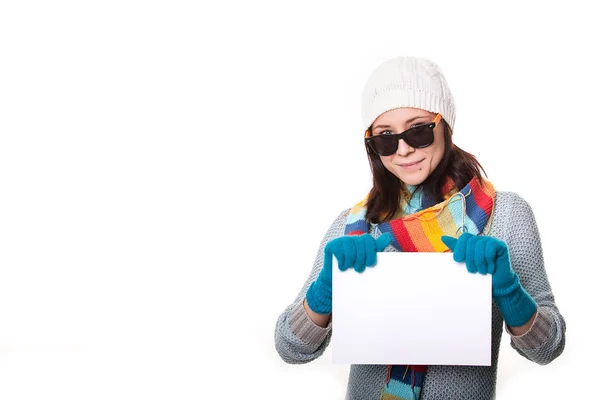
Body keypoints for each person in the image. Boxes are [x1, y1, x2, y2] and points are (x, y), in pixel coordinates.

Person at [274, 56, 566, 399]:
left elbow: (548, 349)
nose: (404, 148)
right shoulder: (353, 225)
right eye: (385, 137)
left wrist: (510, 292)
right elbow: (289, 348)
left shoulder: (506, 215)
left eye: (418, 129)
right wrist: (327, 288)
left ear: (445, 126)